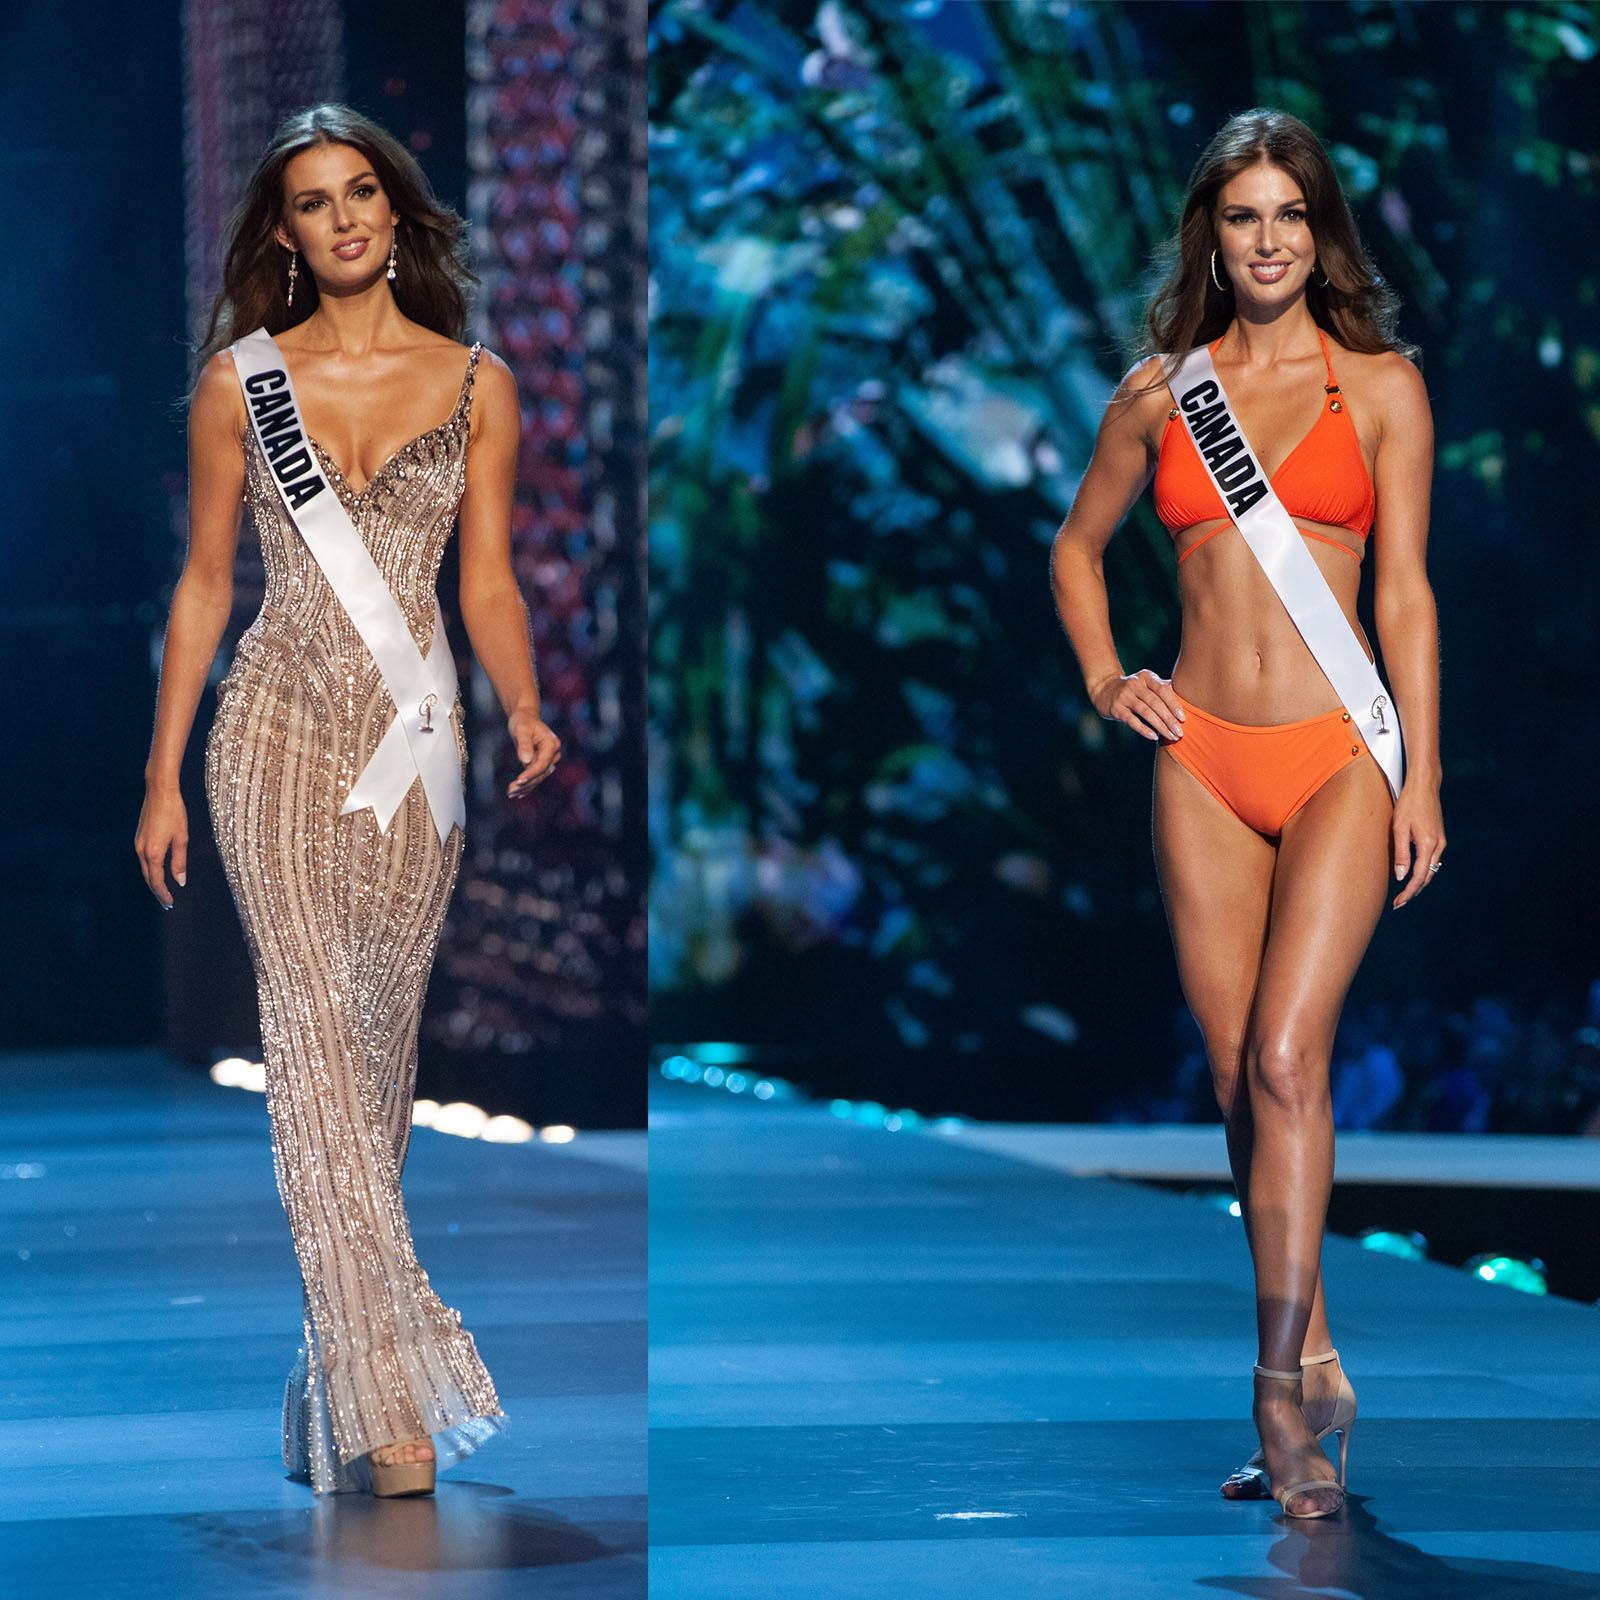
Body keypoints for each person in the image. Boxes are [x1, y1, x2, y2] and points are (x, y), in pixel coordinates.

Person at [134, 104, 561, 1496]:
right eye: (314, 201)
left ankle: (332, 1393)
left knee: (370, 1077)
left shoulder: (476, 380)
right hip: (271, 734)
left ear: (395, 210)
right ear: (285, 233)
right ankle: (396, 1406)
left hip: (413, 746)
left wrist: (527, 702)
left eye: (362, 190)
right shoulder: (238, 384)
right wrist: (160, 772)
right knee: (309, 1040)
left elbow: (485, 576)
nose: (345, 217)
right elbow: (205, 583)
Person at [1050, 108, 1444, 1518]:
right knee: (1236, 1077)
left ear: (1318, 231)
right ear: (1209, 237)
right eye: (1241, 217)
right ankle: (1318, 1347)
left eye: (1289, 215)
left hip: (1341, 750)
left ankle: (1277, 1398)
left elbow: (1403, 593)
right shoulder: (1162, 393)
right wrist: (1110, 678)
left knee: (1289, 1057)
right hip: (1201, 754)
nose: (1267, 240)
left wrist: (1428, 775)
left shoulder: (1381, 386)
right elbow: (1077, 547)